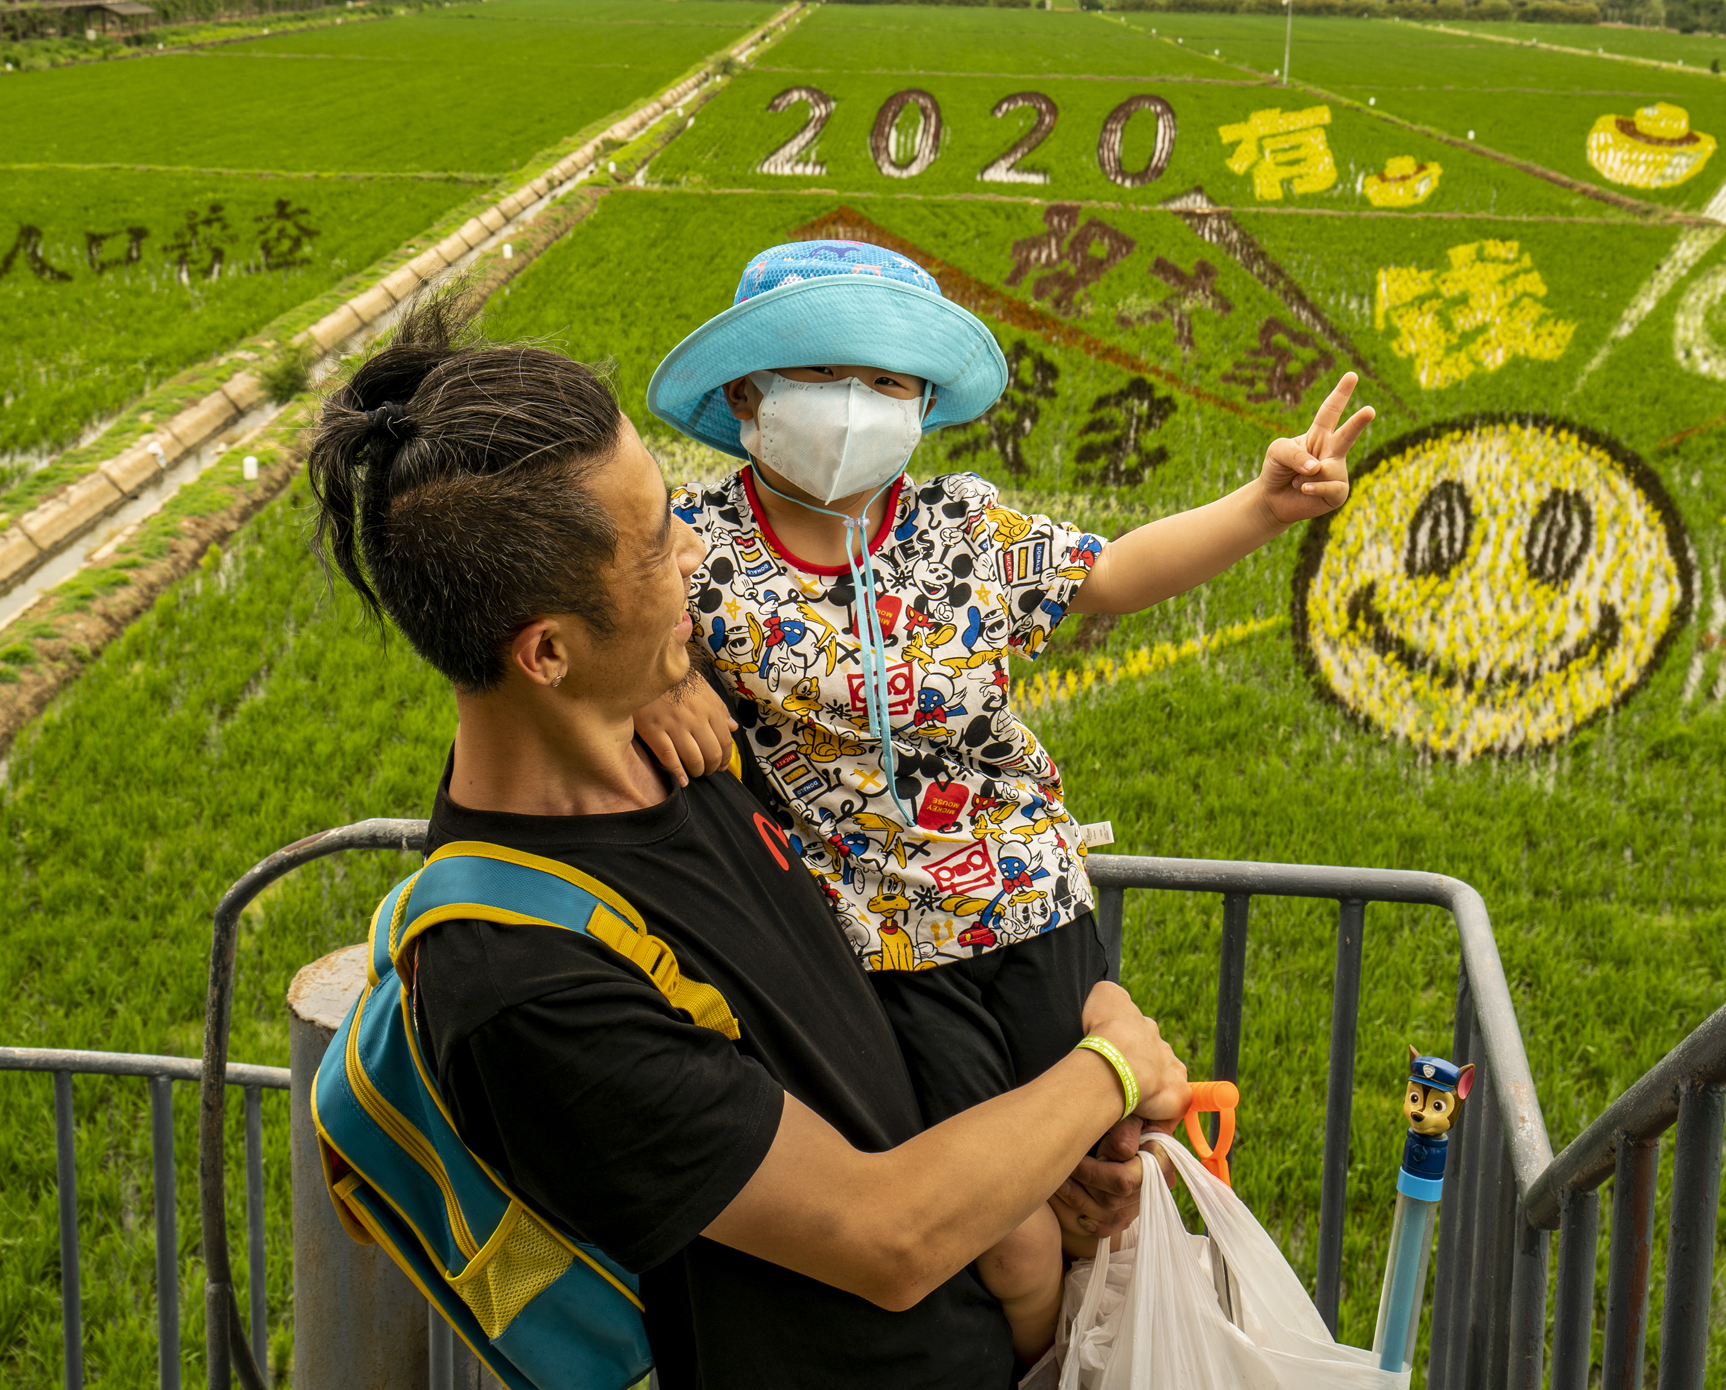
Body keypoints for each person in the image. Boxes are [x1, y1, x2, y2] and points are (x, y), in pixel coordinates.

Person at [306, 299, 1190, 1390]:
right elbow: (886, 1234)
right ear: (545, 650)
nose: (696, 546)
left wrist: (1036, 1165)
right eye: (654, 543)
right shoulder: (525, 985)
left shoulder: (682, 742)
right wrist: (1110, 1068)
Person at [635, 239, 1374, 1354]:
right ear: (745, 392)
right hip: (882, 952)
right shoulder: (696, 553)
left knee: (1108, 1176)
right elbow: (580, 633)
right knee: (1013, 1233)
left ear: (924, 403)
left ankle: (1109, 1349)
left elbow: (1111, 574)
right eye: (821, 374)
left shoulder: (960, 526)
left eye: (888, 382)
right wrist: (658, 683)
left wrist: (1263, 505)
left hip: (1032, 907)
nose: (855, 406)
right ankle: (1038, 1363)